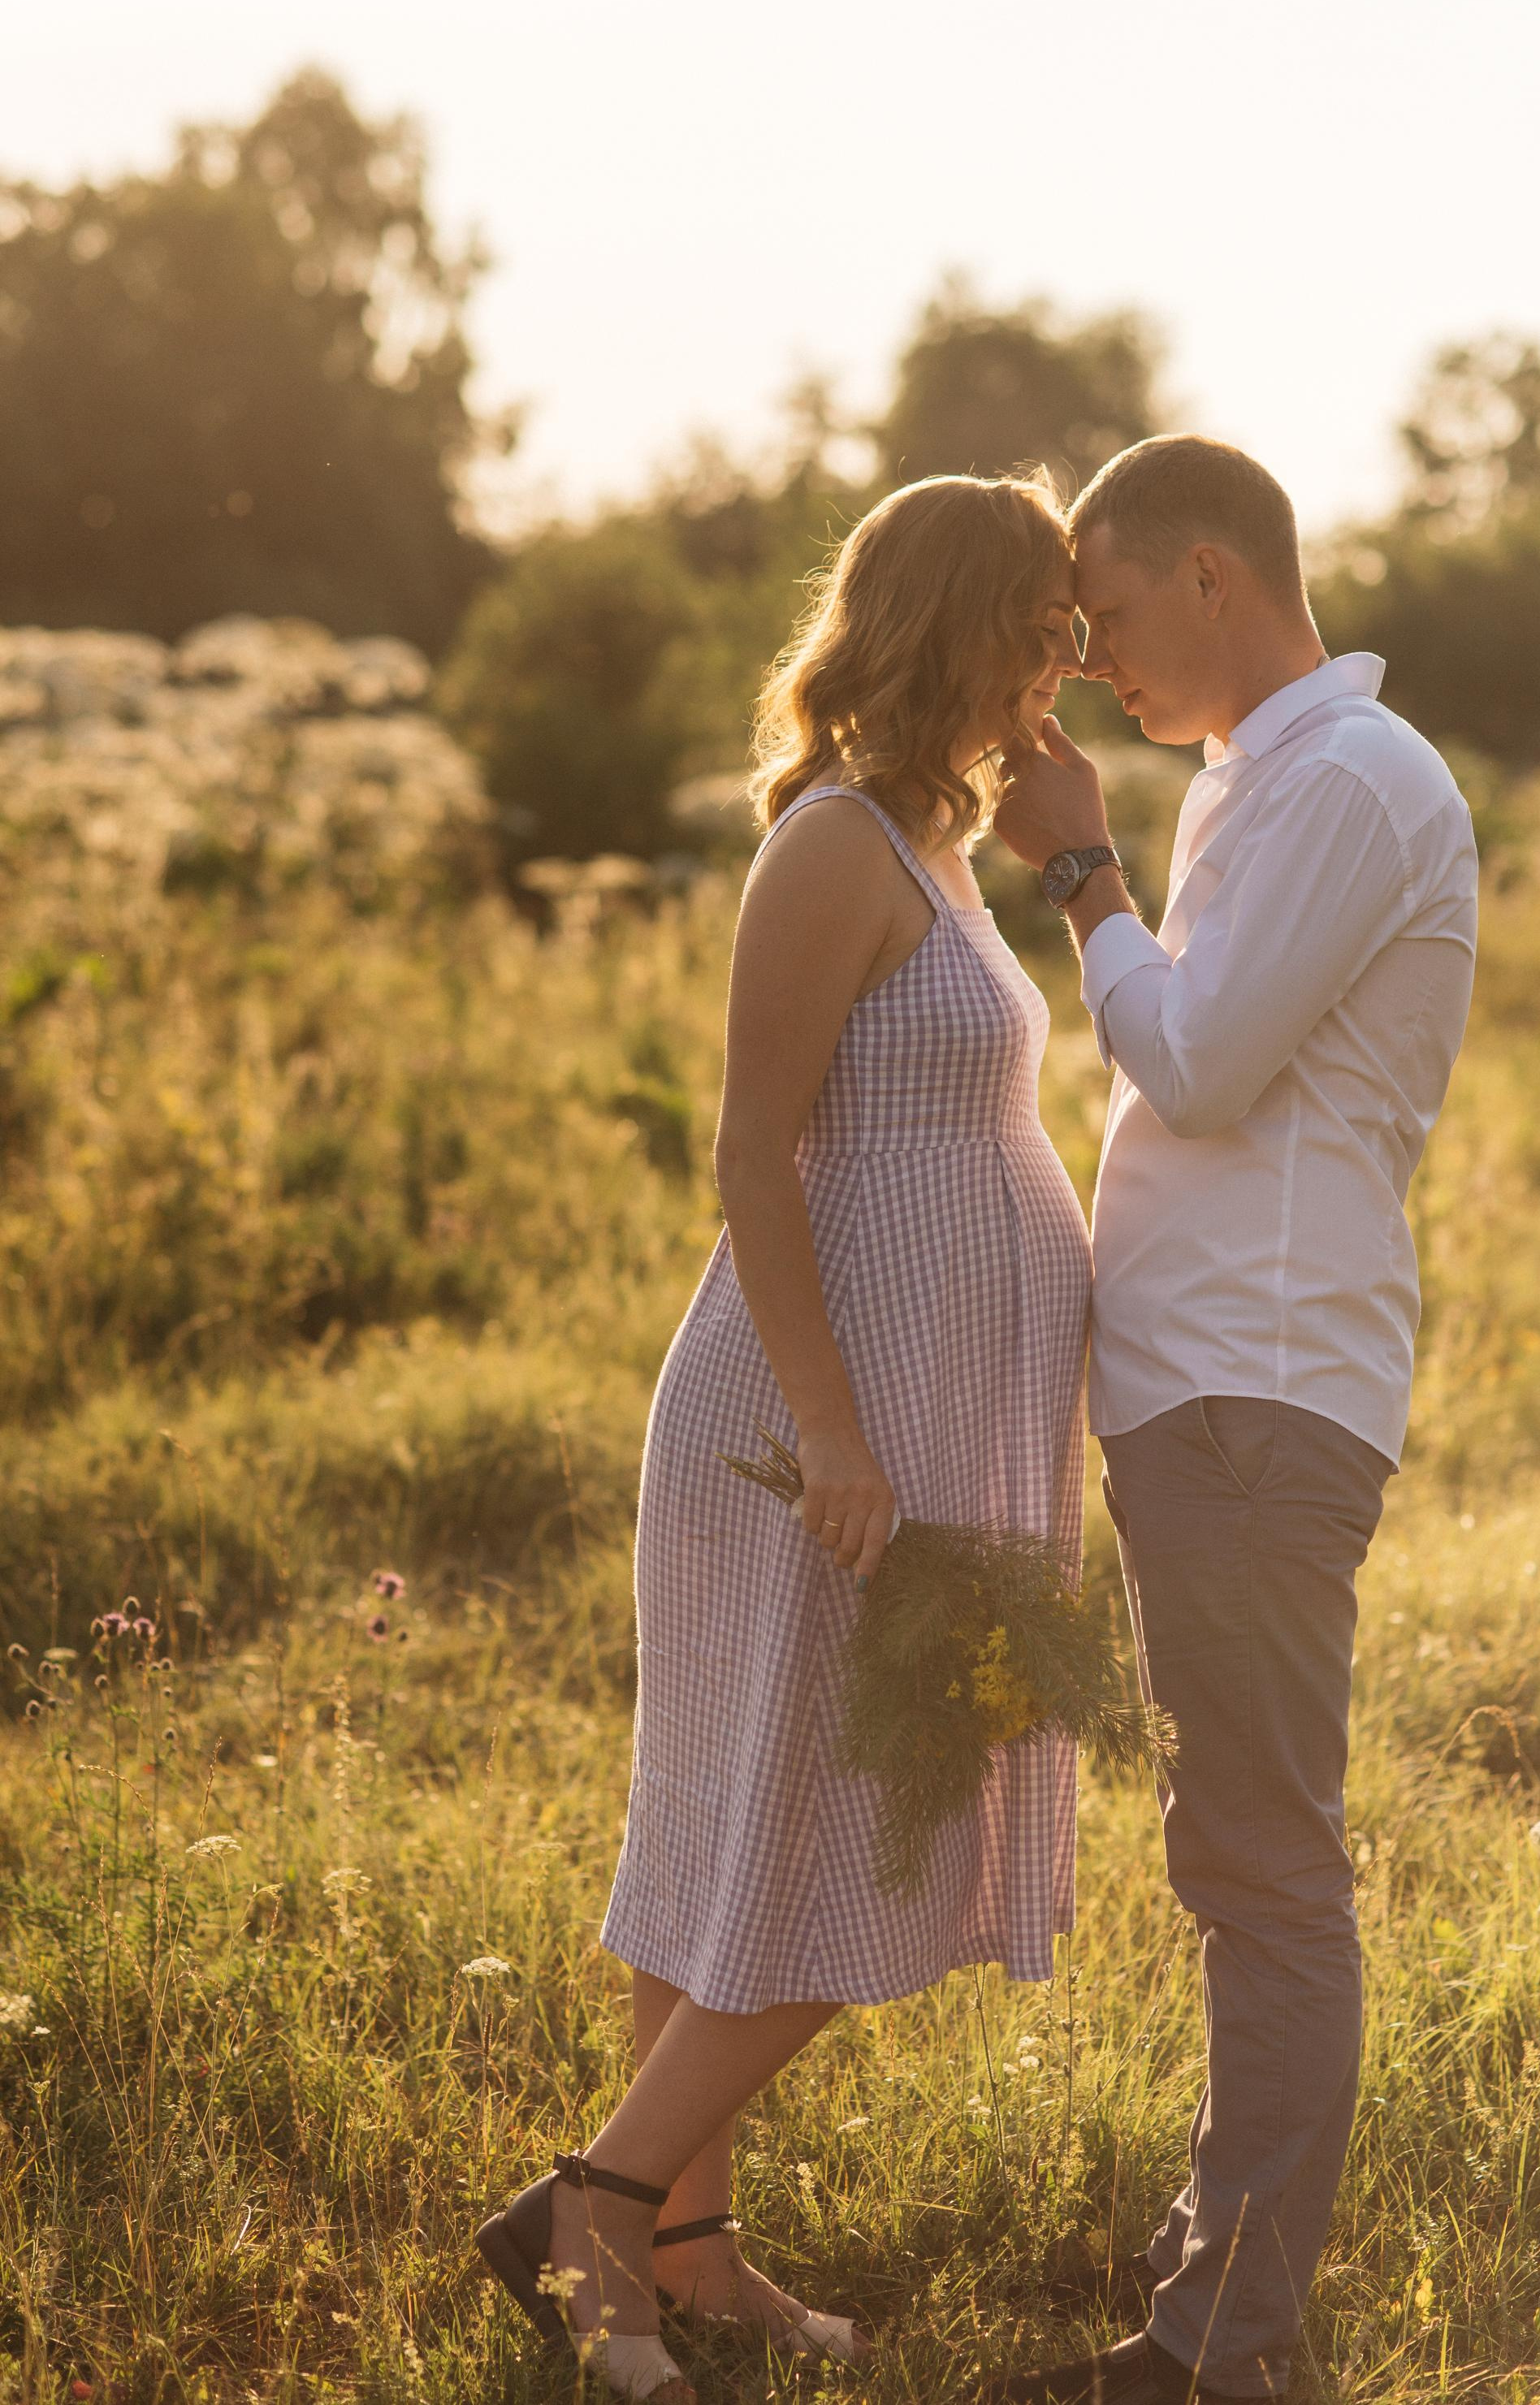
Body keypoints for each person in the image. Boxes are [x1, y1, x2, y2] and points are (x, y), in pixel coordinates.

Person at [475, 472, 1094, 2403]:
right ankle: (598, 2202)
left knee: (760, 1812)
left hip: (918, 1416)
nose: (1062, 665)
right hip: (805, 1426)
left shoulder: (943, 839)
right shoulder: (834, 843)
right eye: (1040, 628)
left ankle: (681, 2252)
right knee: (845, 1818)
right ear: (952, 626)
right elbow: (755, 1156)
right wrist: (833, 1435)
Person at [986, 435, 1478, 2405]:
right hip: (1207, 1392)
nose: (1087, 658)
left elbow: (1188, 1067)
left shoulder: (1354, 780)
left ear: (1211, 572)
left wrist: (1080, 872)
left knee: (1261, 1867)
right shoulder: (1257, 784)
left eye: (1099, 612)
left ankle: (1221, 2355)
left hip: (1263, 1392)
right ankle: (1211, 2318)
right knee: (1233, 1855)